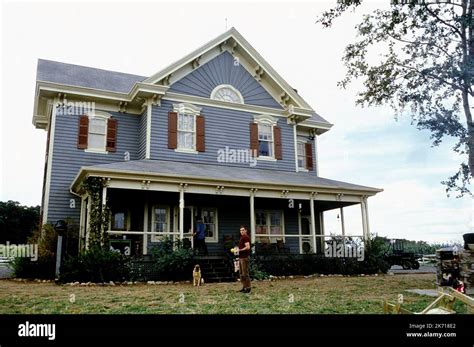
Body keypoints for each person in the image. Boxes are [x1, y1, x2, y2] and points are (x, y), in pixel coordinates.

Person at [238, 225, 251, 293]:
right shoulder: (242, 237)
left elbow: (248, 247)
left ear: (246, 231)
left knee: (245, 273)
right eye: (240, 230)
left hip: (244, 257)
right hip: (241, 257)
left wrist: (240, 250)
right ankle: (244, 286)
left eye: (243, 230)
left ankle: (248, 288)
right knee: (241, 273)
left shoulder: (245, 237)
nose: (241, 231)